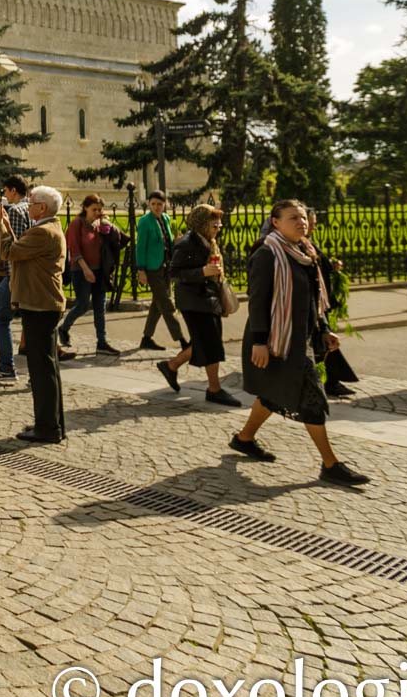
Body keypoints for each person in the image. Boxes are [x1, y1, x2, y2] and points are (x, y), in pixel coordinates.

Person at [230, 200, 370, 485]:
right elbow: (257, 301)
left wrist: (325, 329)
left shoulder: (306, 252)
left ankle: (244, 439)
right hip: (275, 339)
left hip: (300, 338)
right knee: (313, 400)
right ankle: (330, 464)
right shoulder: (267, 254)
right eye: (293, 217)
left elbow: (313, 298)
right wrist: (259, 342)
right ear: (276, 222)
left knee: (272, 394)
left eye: (304, 217)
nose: (301, 222)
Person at [0, 185, 67, 443]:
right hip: (42, 304)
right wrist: (6, 224)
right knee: (47, 368)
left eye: (32, 202)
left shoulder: (43, 232)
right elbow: (20, 248)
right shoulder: (47, 229)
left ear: (42, 208)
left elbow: (9, 252)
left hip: (40, 305)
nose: (28, 206)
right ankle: (52, 423)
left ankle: (48, 428)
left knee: (41, 370)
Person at [156, 203, 238, 406]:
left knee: (205, 341)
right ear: (202, 224)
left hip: (209, 298)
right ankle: (214, 388)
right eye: (214, 226)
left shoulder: (209, 242)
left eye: (219, 226)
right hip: (194, 301)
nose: (218, 230)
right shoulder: (186, 243)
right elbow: (174, 274)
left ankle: (171, 366)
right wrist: (202, 272)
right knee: (210, 343)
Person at [58, 194, 122, 355]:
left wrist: (107, 225)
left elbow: (117, 240)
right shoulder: (76, 224)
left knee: (100, 307)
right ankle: (64, 328)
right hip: (81, 270)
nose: (97, 212)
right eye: (94, 209)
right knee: (82, 305)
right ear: (85, 208)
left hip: (100, 271)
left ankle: (102, 342)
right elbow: (74, 249)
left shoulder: (100, 225)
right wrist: (85, 269)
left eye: (100, 209)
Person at [0, 176, 32, 382]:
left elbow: (13, 248)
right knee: (32, 322)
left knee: (1, 319)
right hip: (32, 275)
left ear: (12, 191)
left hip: (17, 275)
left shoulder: (16, 211)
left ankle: (7, 367)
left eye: (5, 191)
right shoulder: (33, 209)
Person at [307, 209, 359, 398]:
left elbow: (320, 265)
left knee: (325, 343)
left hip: (320, 303)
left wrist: (331, 266)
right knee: (321, 345)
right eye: (311, 222)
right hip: (313, 305)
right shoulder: (298, 245)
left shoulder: (309, 244)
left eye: (312, 222)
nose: (312, 226)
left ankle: (330, 381)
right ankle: (328, 382)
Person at [133, 190, 186, 351]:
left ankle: (146, 338)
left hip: (166, 267)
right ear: (149, 204)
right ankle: (183, 340)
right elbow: (140, 247)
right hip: (152, 269)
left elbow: (168, 242)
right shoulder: (144, 221)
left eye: (160, 204)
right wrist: (141, 269)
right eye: (153, 204)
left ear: (165, 205)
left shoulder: (166, 219)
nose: (156, 207)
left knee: (158, 304)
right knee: (167, 304)